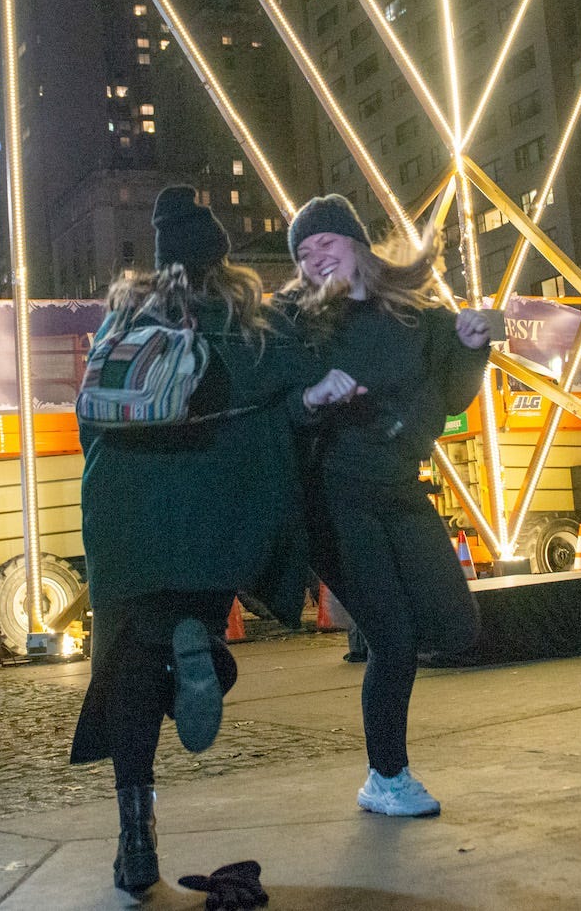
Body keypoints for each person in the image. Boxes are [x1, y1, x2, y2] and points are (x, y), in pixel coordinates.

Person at [69, 185, 361, 895]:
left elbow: (88, 415)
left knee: (129, 666)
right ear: (220, 258)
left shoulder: (124, 316)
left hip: (121, 511)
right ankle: (204, 649)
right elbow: (295, 380)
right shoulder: (241, 319)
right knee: (189, 616)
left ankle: (135, 840)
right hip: (212, 512)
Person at [282, 193, 493, 818]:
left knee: (458, 628)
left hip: (400, 488)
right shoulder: (295, 324)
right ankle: (387, 776)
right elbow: (273, 409)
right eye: (302, 252)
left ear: (357, 245)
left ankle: (387, 769)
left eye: (325, 242)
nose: (315, 257)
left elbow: (455, 397)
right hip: (334, 499)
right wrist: (313, 396)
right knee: (392, 641)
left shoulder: (416, 320)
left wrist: (474, 345)